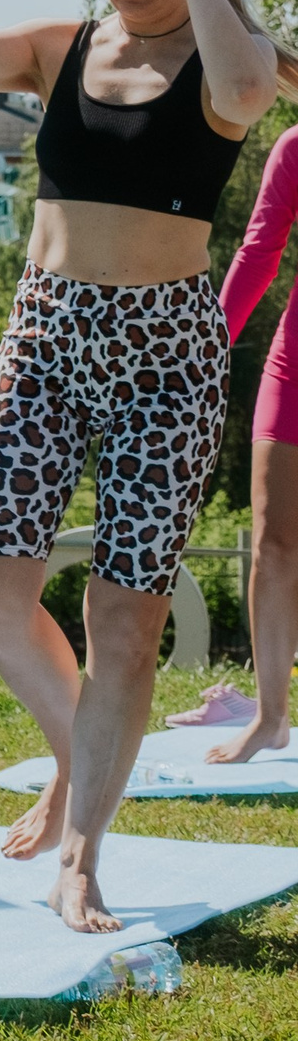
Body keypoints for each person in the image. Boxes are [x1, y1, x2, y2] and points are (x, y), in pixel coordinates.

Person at [0, 0, 291, 928]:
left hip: (168, 352)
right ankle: (74, 754)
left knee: (125, 619)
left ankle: (82, 853)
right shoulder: (60, 46)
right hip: (47, 330)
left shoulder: (226, 54)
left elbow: (252, 89)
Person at [217, 124, 298, 760]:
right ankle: (271, 716)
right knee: (273, 538)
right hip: (293, 366)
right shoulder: (295, 147)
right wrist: (204, 349)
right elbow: (258, 252)